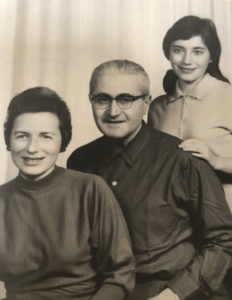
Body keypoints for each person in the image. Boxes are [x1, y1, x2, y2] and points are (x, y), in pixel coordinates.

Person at [67, 59, 232, 300]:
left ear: (146, 103)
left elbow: (223, 239)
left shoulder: (184, 161)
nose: (113, 111)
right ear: (91, 100)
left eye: (125, 99)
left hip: (173, 293)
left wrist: (173, 295)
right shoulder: (80, 161)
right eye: (102, 99)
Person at [0, 87, 135, 300]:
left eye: (46, 136)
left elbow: (120, 273)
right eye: (22, 136)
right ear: (8, 140)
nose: (32, 148)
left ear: (62, 141)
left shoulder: (91, 189)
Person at [148, 15, 232, 212]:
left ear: (211, 56)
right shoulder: (157, 107)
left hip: (225, 216)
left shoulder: (228, 96)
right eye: (178, 50)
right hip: (174, 219)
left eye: (198, 51)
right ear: (168, 53)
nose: (187, 60)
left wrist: (216, 159)